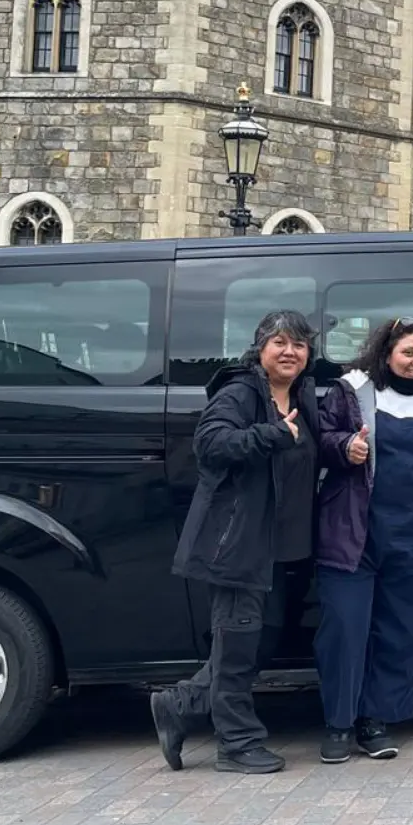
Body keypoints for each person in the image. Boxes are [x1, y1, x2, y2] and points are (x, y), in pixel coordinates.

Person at [152, 309, 319, 775]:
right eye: (280, 342)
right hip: (239, 543)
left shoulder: (301, 395)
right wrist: (270, 434)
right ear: (260, 348)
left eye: (299, 344)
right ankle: (237, 743)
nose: (290, 352)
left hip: (279, 549)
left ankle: (180, 705)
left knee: (259, 641)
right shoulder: (241, 392)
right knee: (238, 642)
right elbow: (210, 443)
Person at [314, 318, 413, 763]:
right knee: (344, 630)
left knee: (402, 631)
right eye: (408, 353)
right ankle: (338, 724)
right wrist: (345, 446)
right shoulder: (352, 392)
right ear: (387, 354)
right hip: (352, 535)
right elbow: (318, 440)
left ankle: (375, 721)